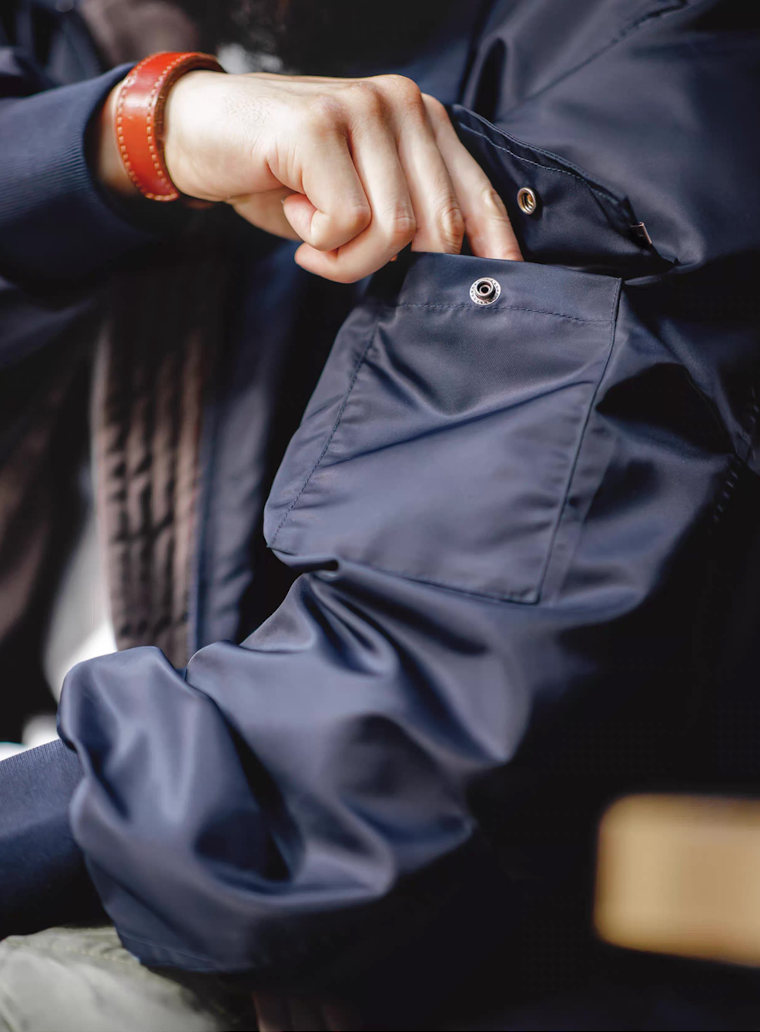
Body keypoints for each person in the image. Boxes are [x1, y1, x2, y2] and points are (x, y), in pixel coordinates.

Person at [1, 0, 759, 1029]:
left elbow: (375, 756)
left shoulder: (635, 55)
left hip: (369, 968)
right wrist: (130, 135)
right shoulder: (71, 33)